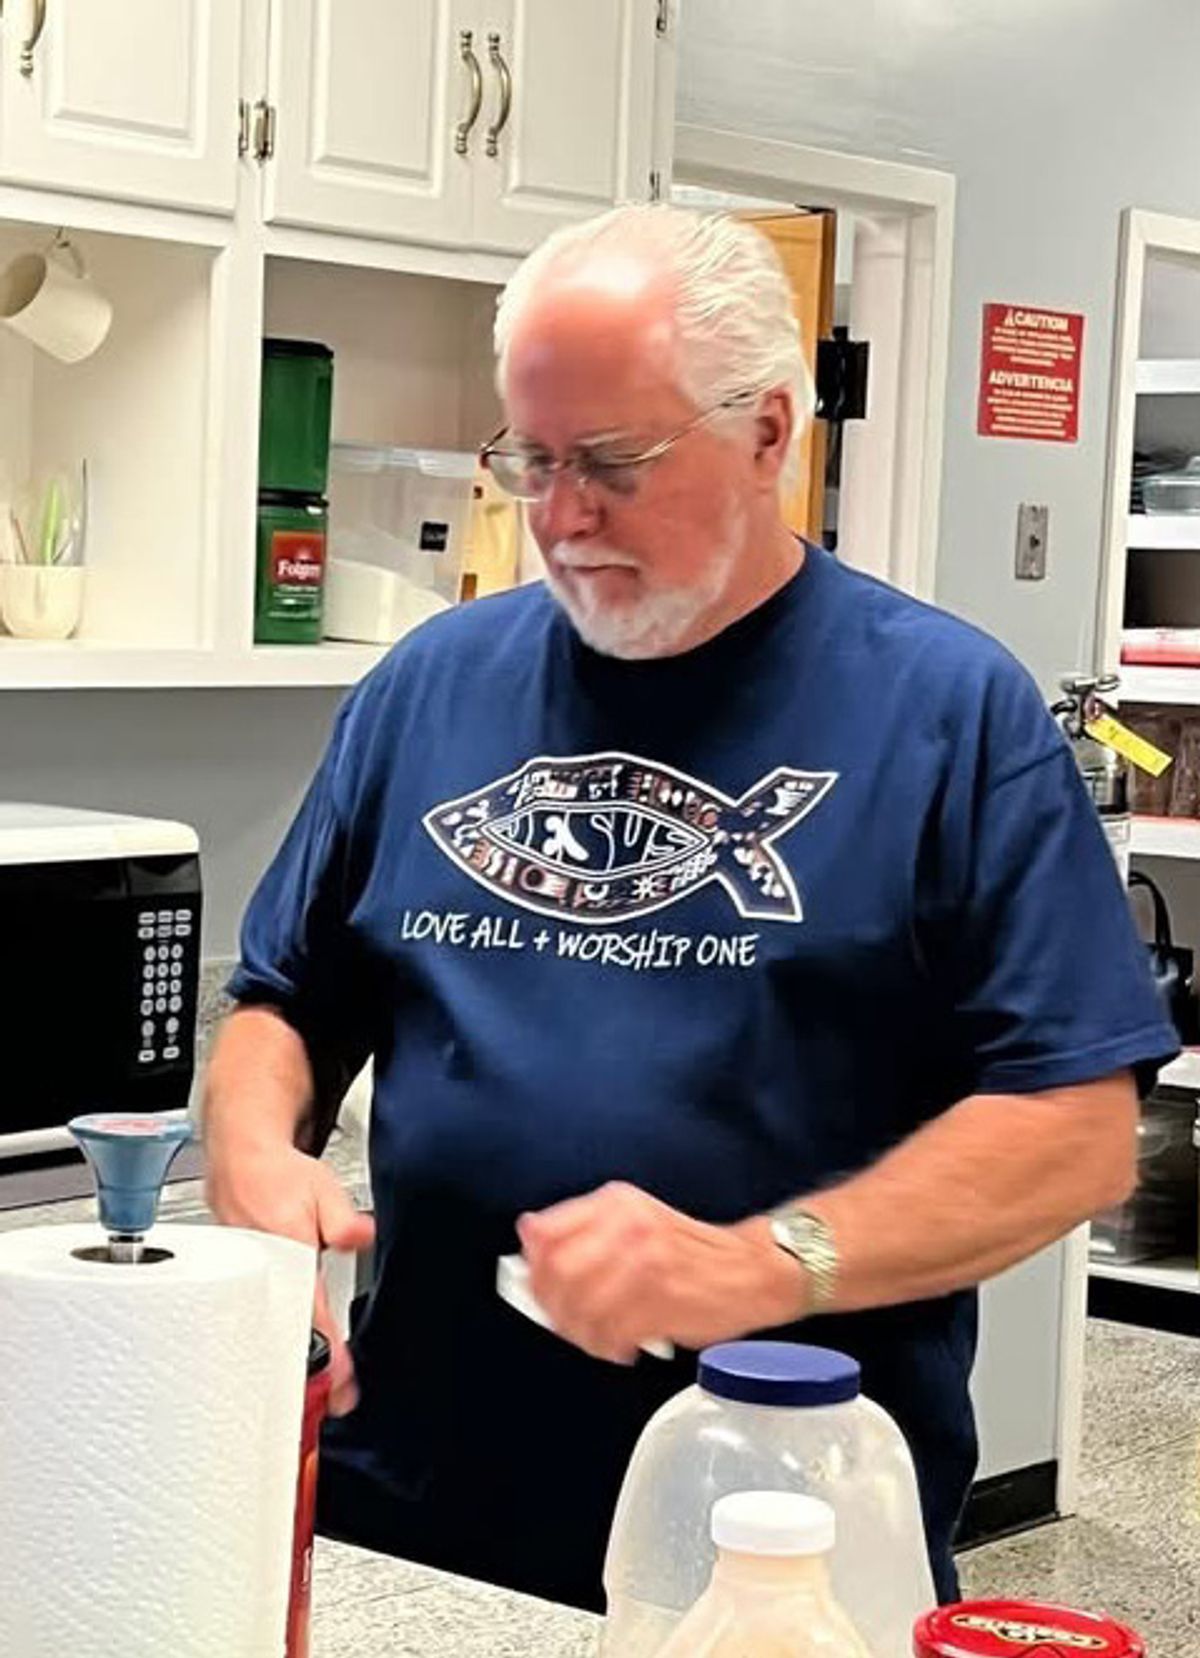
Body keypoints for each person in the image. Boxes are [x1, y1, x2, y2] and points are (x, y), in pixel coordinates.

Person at [204, 204, 1176, 1612]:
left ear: (771, 432)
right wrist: (252, 1158)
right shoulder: (430, 684)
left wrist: (763, 1262)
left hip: (776, 1541)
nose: (559, 517)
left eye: (612, 462)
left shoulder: (947, 715)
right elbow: (284, 1000)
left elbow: (1075, 1129)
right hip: (410, 1506)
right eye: (531, 460)